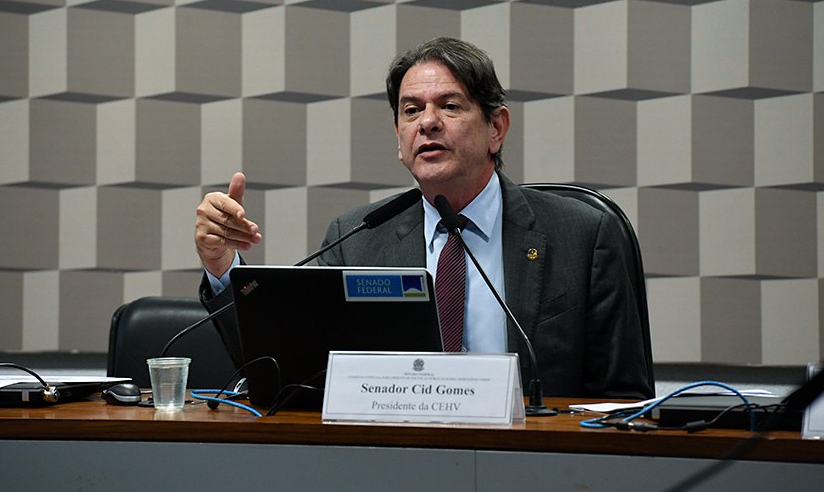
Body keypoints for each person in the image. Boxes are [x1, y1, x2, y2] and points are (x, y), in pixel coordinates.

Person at [194, 37, 653, 399]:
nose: (427, 122)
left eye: (449, 106)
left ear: (496, 128)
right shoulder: (357, 240)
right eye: (411, 111)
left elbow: (623, 400)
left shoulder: (583, 235)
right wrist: (223, 268)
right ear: (399, 137)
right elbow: (287, 377)